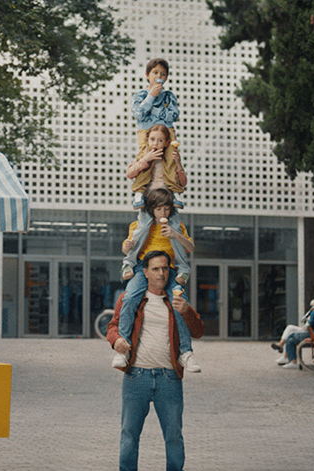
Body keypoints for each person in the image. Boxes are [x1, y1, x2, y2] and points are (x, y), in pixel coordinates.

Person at [107, 250, 205, 471]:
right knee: (130, 433)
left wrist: (187, 311)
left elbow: (198, 330)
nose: (161, 273)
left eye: (165, 268)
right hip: (136, 377)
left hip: (169, 378)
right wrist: (116, 341)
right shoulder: (132, 298)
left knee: (173, 435)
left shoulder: (177, 299)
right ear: (145, 272)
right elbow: (113, 326)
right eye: (155, 269)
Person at [114, 188, 201, 373]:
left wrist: (175, 234)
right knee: (129, 298)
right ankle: (123, 349)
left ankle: (186, 352)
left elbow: (191, 248)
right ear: (151, 209)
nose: (164, 213)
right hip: (143, 267)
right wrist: (126, 246)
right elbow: (126, 250)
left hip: (168, 268)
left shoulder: (176, 225)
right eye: (159, 209)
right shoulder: (137, 225)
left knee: (179, 302)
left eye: (167, 209)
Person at [122, 125, 189, 285]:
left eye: (160, 140)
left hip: (167, 202)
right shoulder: (144, 154)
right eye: (152, 139)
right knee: (141, 229)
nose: (155, 143)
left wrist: (178, 163)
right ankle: (128, 263)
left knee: (175, 230)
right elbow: (130, 174)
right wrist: (146, 160)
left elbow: (183, 182)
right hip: (149, 202)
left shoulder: (171, 157)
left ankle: (183, 269)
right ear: (147, 140)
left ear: (166, 142)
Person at [131, 58, 185, 209]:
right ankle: (139, 192)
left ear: (166, 77)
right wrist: (151, 97)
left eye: (163, 74)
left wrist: (152, 111)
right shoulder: (141, 95)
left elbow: (173, 115)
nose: (159, 76)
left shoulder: (169, 96)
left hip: (167, 131)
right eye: (155, 72)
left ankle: (175, 191)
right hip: (146, 132)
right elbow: (139, 114)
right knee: (145, 159)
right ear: (147, 75)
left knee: (171, 158)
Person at [276, 299, 314, 369]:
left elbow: (310, 325)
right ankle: (286, 356)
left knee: (290, 338)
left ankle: (292, 361)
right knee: (290, 334)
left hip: (313, 336)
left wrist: (305, 328)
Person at [269, 298, 314, 364]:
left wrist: (305, 328)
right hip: (307, 330)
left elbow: (312, 325)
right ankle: (284, 353)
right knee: (290, 330)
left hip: (309, 332)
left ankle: (284, 350)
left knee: (290, 333)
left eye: (313, 306)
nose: (311, 307)